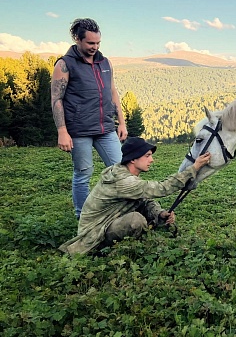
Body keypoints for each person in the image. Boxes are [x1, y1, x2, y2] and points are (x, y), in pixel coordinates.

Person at [59, 137, 211, 255]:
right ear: (133, 159)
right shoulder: (124, 181)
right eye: (147, 155)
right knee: (135, 221)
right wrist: (194, 167)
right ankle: (124, 251)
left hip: (108, 223)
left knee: (140, 214)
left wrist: (160, 213)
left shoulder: (125, 175)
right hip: (94, 235)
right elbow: (162, 188)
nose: (152, 160)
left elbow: (144, 200)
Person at [51, 18, 128, 219]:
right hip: (78, 130)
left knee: (120, 169)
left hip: (105, 128)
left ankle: (121, 211)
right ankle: (83, 218)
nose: (95, 47)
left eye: (98, 43)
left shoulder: (105, 62)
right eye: (90, 43)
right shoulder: (65, 64)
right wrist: (62, 131)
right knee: (83, 174)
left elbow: (112, 92)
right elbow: (56, 99)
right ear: (78, 39)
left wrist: (122, 121)